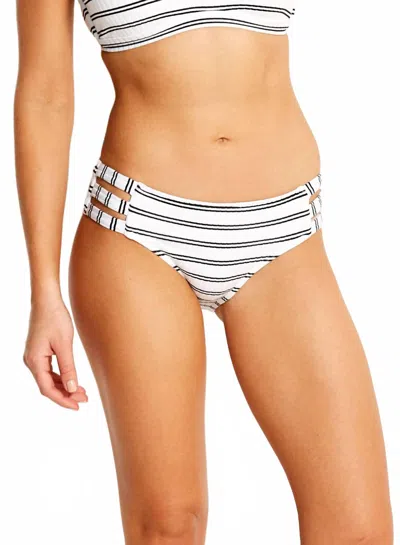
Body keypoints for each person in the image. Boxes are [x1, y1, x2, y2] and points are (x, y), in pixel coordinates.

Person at [14, 1, 393, 543]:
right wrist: (44, 292)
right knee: (170, 525)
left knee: (359, 532)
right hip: (138, 227)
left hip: (285, 233)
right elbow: (45, 94)